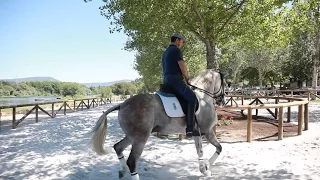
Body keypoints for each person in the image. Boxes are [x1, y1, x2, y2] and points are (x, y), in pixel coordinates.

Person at [161, 33, 197, 137]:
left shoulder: (165, 52)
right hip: (175, 80)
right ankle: (190, 128)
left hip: (166, 80)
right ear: (177, 40)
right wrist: (187, 79)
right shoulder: (176, 50)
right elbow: (182, 66)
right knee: (192, 98)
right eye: (182, 41)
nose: (182, 43)